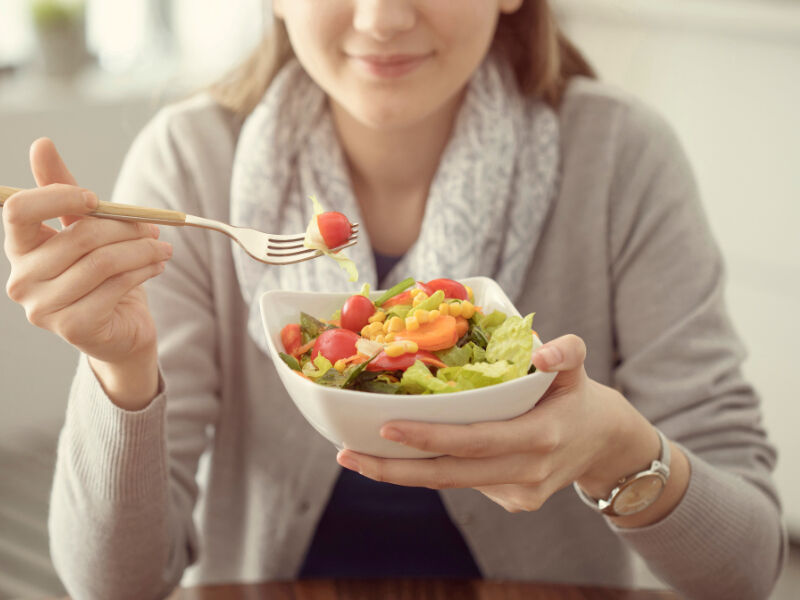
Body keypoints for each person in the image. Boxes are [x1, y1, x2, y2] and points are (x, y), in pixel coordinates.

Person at [1, 1, 787, 599]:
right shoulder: (189, 161)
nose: (381, 19)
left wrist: (616, 448)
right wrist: (121, 370)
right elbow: (115, 585)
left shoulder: (621, 158)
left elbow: (748, 566)